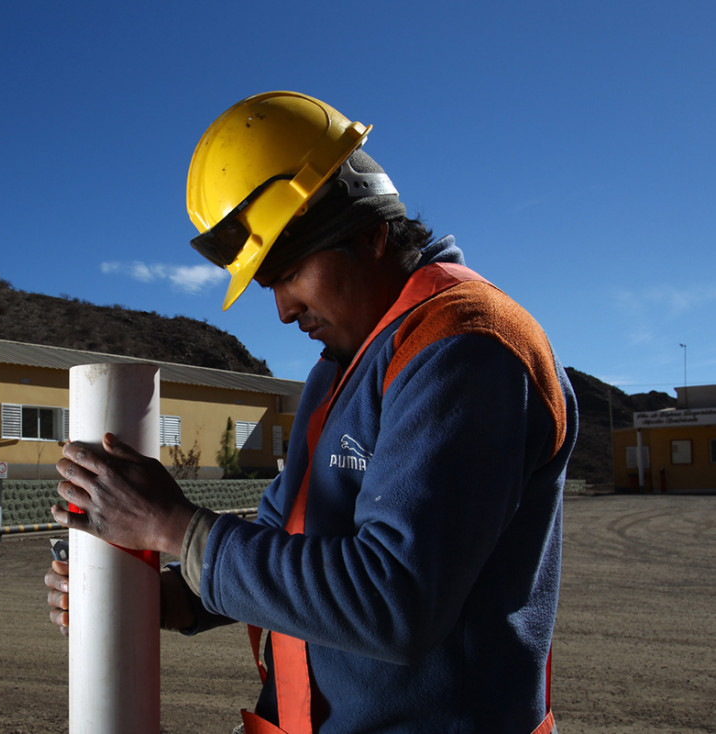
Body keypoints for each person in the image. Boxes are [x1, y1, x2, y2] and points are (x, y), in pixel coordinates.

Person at [46, 91, 576, 734]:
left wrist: (175, 528)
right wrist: (157, 600)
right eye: (269, 285)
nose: (282, 311)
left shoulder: (467, 347)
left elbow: (391, 601)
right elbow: (288, 542)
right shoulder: (343, 366)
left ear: (372, 232)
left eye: (290, 271)